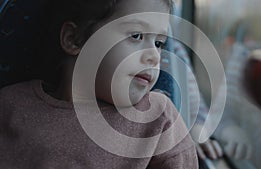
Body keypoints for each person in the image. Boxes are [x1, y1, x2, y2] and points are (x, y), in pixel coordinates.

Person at [0, 0, 198, 168]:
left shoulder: (159, 120)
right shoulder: (10, 107)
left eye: (158, 44)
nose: (154, 56)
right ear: (74, 40)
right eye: (136, 35)